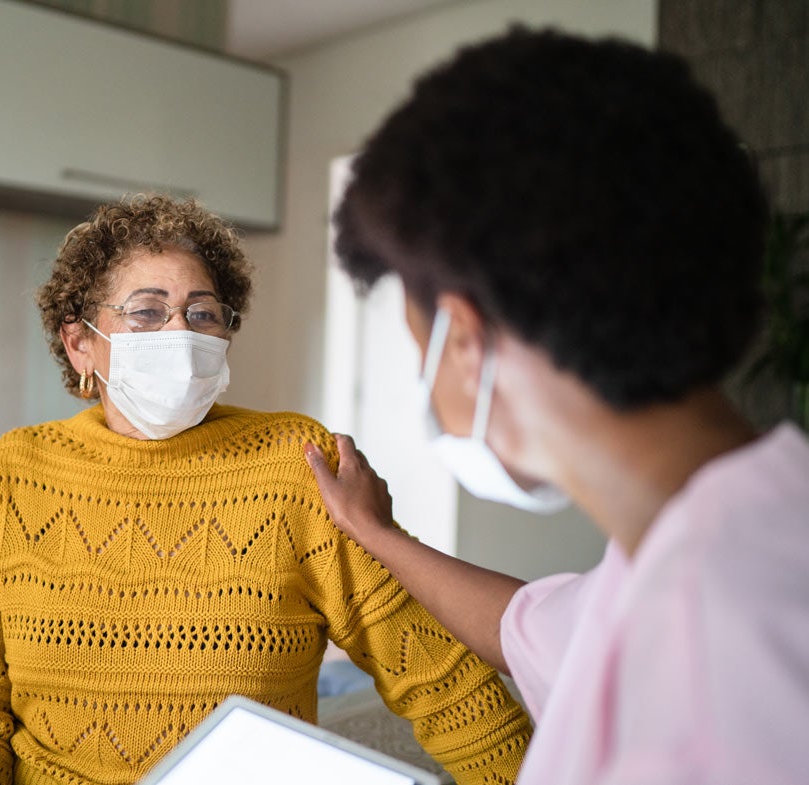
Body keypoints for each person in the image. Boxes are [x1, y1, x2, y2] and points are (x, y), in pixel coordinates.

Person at [304, 26, 809, 785]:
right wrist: (374, 532)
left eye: (420, 350)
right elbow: (536, 630)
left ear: (466, 343)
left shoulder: (712, 660)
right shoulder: (711, 539)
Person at [0, 195, 531, 785]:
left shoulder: (292, 461)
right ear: (81, 341)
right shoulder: (15, 471)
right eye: (146, 311)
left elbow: (437, 676)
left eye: (202, 314)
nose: (180, 333)